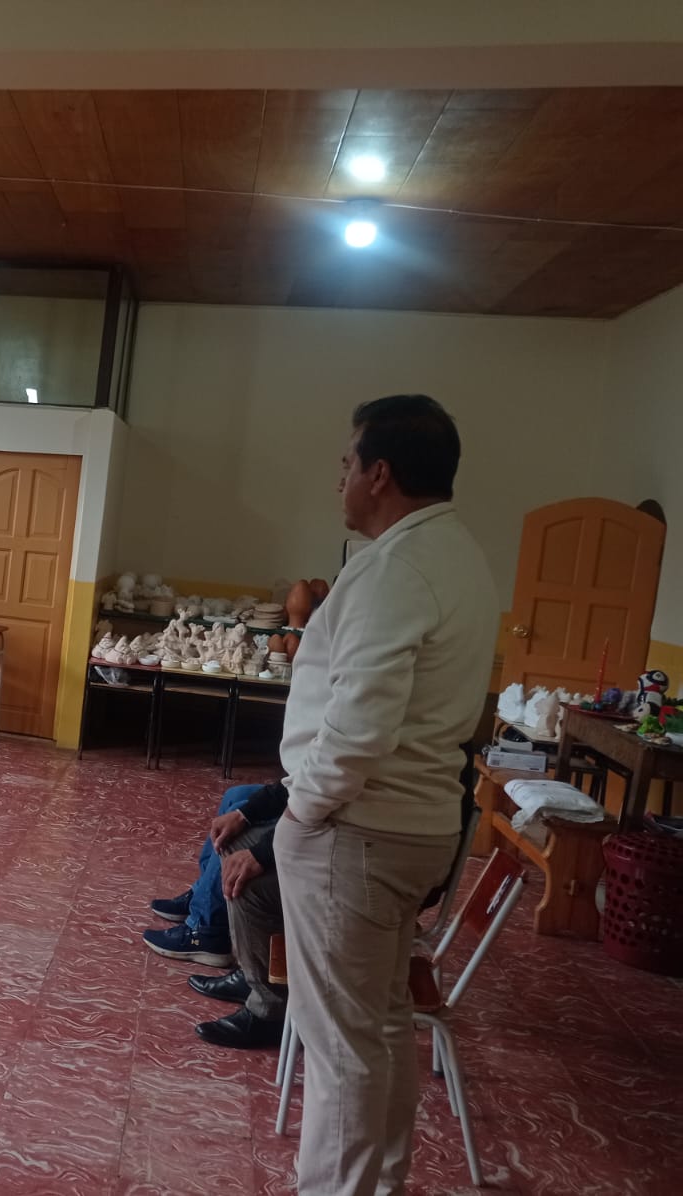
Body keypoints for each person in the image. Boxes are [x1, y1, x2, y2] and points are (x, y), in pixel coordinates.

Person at [273, 394, 497, 1196]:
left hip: (356, 831)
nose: (339, 479)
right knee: (379, 1030)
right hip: (410, 826)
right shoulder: (457, 554)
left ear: (380, 473)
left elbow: (359, 729)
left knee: (343, 1046)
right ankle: (378, 1182)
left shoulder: (395, 568)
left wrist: (301, 812)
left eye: (347, 463)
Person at [142, 780, 286, 967]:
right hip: (302, 792)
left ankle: (207, 931)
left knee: (237, 825)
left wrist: (260, 851)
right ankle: (203, 894)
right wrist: (244, 813)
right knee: (235, 796)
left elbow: (309, 804)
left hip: (311, 813)